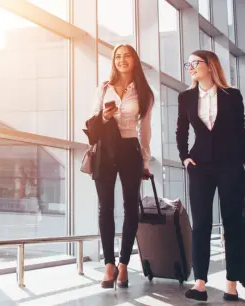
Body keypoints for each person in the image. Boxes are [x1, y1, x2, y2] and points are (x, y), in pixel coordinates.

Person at [176, 50, 245, 302]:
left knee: (232, 224)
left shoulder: (232, 95)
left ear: (210, 66)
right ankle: (200, 283)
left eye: (195, 63)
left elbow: (240, 132)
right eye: (188, 63)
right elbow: (181, 130)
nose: (190, 67)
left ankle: (231, 284)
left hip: (230, 164)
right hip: (200, 165)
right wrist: (184, 157)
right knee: (200, 223)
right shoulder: (186, 97)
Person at [86, 44, 153, 289]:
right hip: (105, 150)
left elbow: (145, 130)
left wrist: (145, 161)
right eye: (117, 56)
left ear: (134, 60)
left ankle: (124, 263)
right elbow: (91, 122)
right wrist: (104, 116)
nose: (122, 60)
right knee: (105, 207)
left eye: (126, 56)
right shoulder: (103, 88)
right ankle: (109, 265)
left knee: (130, 208)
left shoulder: (144, 92)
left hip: (130, 150)